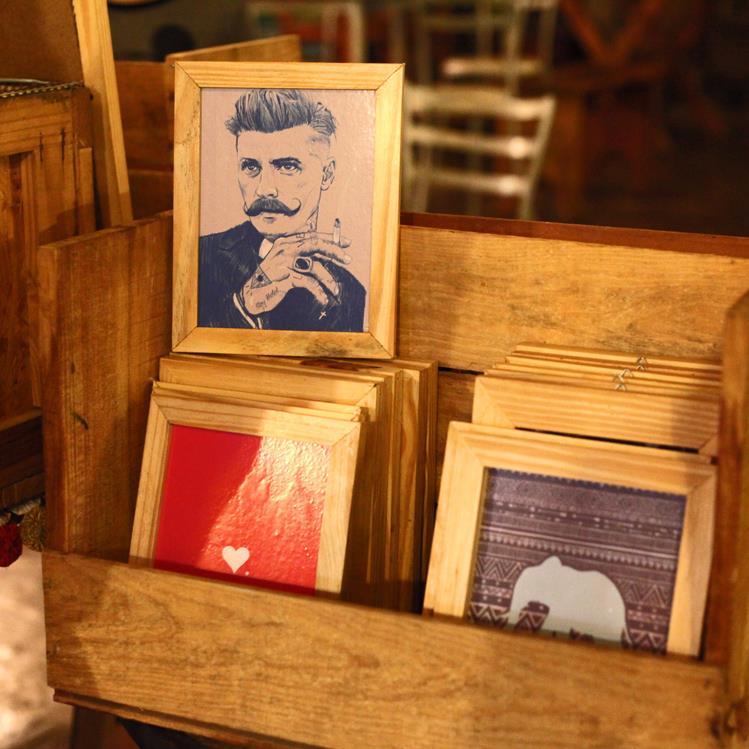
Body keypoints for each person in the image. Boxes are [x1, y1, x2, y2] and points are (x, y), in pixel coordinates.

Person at [198, 89, 366, 331]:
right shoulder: (203, 257)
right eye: (251, 167)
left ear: (327, 174)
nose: (264, 189)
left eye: (287, 166)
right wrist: (245, 305)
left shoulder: (349, 291)